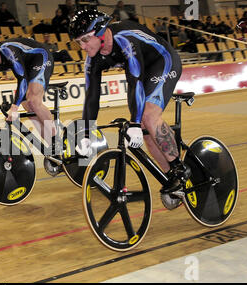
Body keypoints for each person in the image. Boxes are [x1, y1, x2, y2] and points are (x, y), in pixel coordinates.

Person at [69, 10, 191, 209]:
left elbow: (134, 83)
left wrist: (134, 122)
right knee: (145, 131)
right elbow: (92, 97)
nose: (82, 47)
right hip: (143, 71)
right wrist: (85, 133)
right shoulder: (93, 60)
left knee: (148, 117)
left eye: (85, 40)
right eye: (78, 42)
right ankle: (172, 178)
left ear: (100, 32)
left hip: (164, 62)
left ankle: (179, 167)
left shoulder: (124, 39)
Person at [0, 32, 57, 154]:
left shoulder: (7, 50)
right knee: (29, 110)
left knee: (33, 101)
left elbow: (22, 79)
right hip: (26, 65)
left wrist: (14, 107)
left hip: (40, 57)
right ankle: (53, 150)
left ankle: (57, 142)